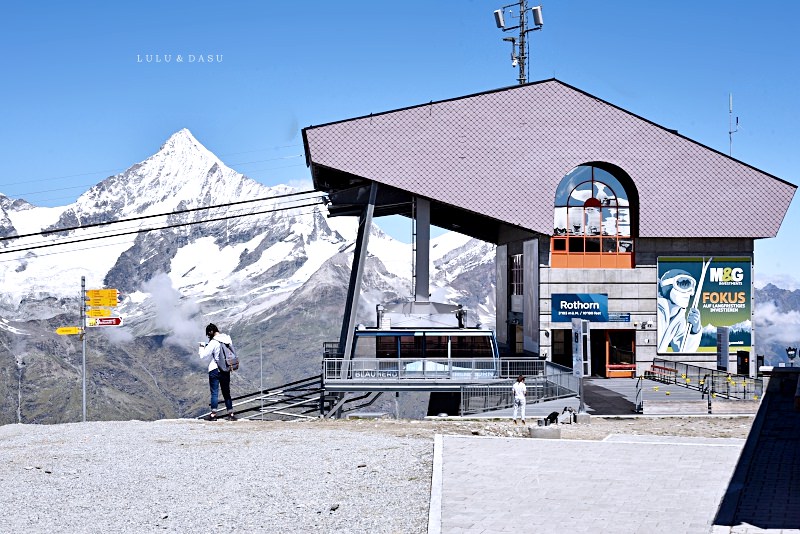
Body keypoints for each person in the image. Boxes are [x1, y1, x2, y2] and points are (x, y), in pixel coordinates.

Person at [657, 269, 702, 353]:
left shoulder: (679, 318)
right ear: (667, 284)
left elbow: (683, 351)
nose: (689, 293)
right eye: (683, 284)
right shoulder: (656, 311)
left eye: (691, 287)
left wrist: (695, 329)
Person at [198, 323, 236, 421]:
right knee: (226, 393)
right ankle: (231, 414)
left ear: (211, 332)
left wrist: (202, 346)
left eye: (208, 334)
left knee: (214, 393)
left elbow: (203, 356)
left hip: (215, 369)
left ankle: (213, 415)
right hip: (226, 369)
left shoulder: (213, 342)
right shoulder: (228, 339)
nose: (208, 336)